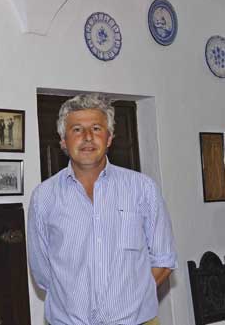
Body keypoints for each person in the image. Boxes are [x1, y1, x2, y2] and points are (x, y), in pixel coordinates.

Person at [27, 93, 176, 325]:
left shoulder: (143, 189)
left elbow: (164, 259)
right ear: (63, 141)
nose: (87, 137)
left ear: (109, 138)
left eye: (96, 128)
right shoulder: (43, 197)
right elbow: (43, 274)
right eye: (77, 129)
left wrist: (130, 301)